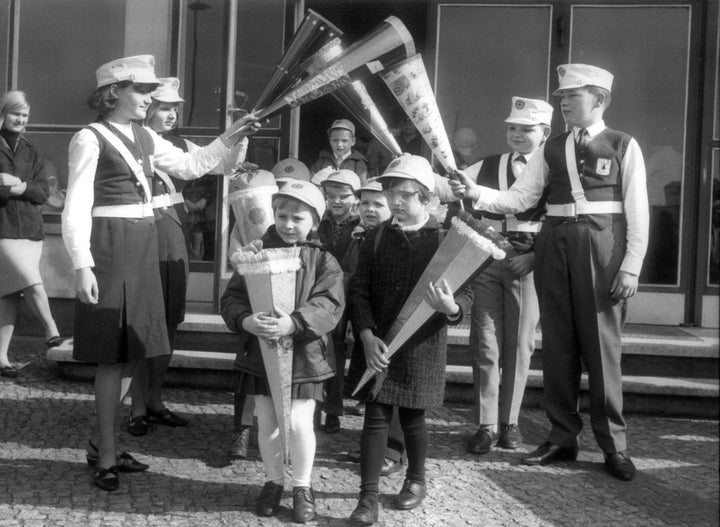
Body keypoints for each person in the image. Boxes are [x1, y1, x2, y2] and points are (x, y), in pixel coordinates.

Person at [62, 54, 259, 491]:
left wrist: (233, 134)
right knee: (112, 356)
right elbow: (75, 204)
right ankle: (107, 454)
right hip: (110, 246)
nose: (150, 98)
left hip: (146, 243)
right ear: (115, 92)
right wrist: (81, 263)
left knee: (136, 347)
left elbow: (193, 166)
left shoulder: (144, 137)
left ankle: (102, 441)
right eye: (143, 90)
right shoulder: (89, 137)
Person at [450, 64, 649, 481]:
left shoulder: (623, 144)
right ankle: (562, 438)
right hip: (554, 244)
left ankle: (614, 446)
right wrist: (475, 192)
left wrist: (631, 265)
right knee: (558, 346)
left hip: (601, 247)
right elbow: (520, 198)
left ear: (599, 99)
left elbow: (637, 211)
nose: (563, 103)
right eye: (560, 97)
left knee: (602, 348)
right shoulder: (551, 147)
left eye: (571, 96)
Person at [347, 155, 473, 525]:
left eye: (406, 194)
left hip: (422, 346)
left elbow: (464, 296)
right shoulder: (375, 236)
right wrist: (367, 335)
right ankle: (366, 497)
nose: (396, 201)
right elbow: (359, 290)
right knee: (375, 416)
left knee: (414, 417)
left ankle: (415, 480)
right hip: (379, 343)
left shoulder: (444, 240)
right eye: (391, 192)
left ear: (427, 198)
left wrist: (451, 307)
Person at [127, 77, 250, 437]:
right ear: (147, 106)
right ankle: (135, 406)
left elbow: (222, 166)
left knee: (168, 320)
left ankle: (153, 400)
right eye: (164, 106)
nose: (171, 114)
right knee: (141, 319)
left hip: (173, 229)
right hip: (142, 227)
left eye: (175, 108)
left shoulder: (179, 144)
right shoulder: (129, 139)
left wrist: (239, 137)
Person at [220, 180, 344, 523]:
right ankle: (274, 482)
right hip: (261, 354)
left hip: (305, 357)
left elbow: (329, 303)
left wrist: (295, 323)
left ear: (314, 222)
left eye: (298, 218)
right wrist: (245, 321)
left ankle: (302, 486)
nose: (288, 224)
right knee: (269, 424)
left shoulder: (323, 260)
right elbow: (232, 298)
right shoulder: (255, 253)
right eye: (282, 214)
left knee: (301, 424)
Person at [462, 97, 552, 455]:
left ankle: (510, 422)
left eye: (525, 129)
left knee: (518, 345)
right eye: (512, 128)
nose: (516, 134)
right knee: (484, 342)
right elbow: (449, 191)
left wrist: (533, 257)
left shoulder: (555, 171)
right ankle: (486, 424)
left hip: (526, 264)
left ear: (544, 133)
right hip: (487, 261)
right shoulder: (488, 165)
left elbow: (561, 223)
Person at [343, 178, 406, 476]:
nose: (369, 209)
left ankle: (392, 449)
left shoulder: (395, 237)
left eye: (378, 204)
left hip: (393, 324)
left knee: (392, 389)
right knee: (373, 389)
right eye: (364, 203)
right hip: (365, 320)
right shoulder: (360, 235)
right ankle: (373, 446)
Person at [0, 91, 62, 378]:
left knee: (8, 294)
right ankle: (51, 328)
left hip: (29, 230)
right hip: (3, 229)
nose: (21, 119)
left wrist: (18, 185)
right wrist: (13, 187)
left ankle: (1, 357)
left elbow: (42, 192)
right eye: (16, 113)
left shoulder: (31, 150)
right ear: (4, 112)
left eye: (25, 115)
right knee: (30, 280)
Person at [316, 169, 361, 434]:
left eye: (343, 196)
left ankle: (333, 410)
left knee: (337, 353)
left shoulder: (361, 226)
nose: (336, 202)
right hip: (320, 295)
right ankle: (313, 408)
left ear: (355, 198)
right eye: (330, 196)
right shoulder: (319, 223)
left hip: (346, 297)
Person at [310, 119, 368, 185]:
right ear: (330, 141)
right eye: (335, 140)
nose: (339, 144)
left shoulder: (358, 163)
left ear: (353, 141)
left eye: (344, 141)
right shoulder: (322, 160)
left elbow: (363, 187)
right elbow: (312, 182)